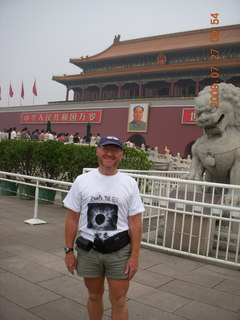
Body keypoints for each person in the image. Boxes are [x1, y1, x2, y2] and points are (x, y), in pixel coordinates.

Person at [63, 135, 144, 320]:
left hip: (119, 251)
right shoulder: (82, 181)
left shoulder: (129, 183)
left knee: (120, 300)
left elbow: (135, 221)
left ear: (121, 155)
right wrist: (68, 251)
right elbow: (72, 218)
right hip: (89, 250)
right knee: (93, 296)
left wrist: (134, 256)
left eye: (115, 150)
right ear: (97, 151)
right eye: (105, 149)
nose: (110, 154)